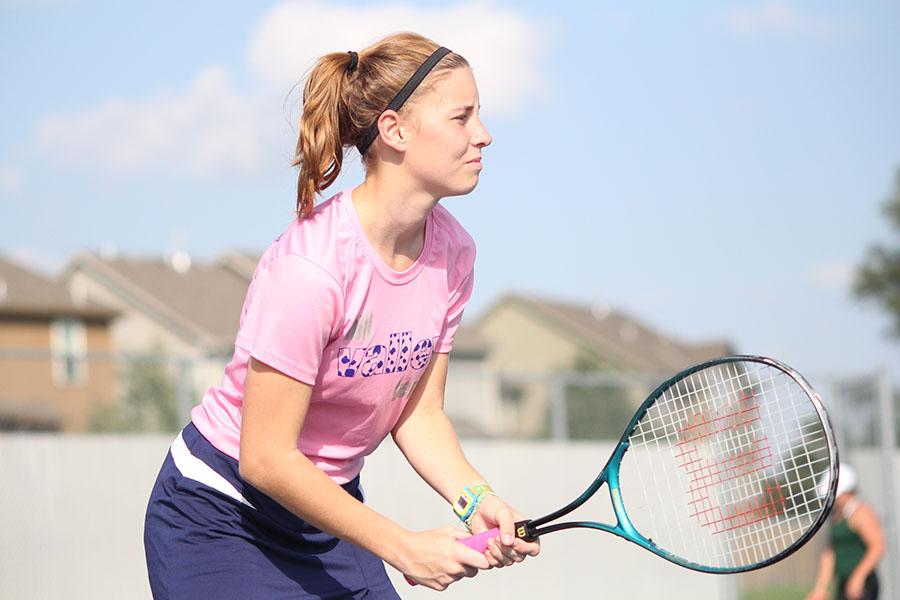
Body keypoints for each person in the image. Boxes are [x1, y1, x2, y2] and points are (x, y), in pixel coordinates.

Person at [143, 31, 540, 599]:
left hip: (324, 516)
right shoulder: (310, 268)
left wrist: (479, 499)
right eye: (462, 117)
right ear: (394, 129)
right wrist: (403, 546)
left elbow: (420, 414)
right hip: (220, 516)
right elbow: (265, 457)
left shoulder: (454, 254)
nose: (484, 134)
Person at [806, 464, 885, 600]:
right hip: (844, 583)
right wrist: (820, 589)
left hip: (863, 585)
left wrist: (858, 576)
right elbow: (830, 553)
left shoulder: (861, 513)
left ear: (845, 491)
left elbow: (878, 547)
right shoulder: (837, 516)